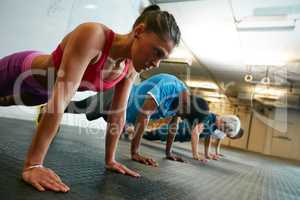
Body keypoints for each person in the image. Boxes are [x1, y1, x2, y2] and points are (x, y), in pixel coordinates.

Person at [0, 5, 181, 192]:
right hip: (18, 71)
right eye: (157, 52)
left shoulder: (129, 68)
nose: (156, 63)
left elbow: (118, 114)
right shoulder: (94, 36)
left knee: (4, 101)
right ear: (139, 31)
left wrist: (110, 160)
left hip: (40, 93)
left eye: (162, 59)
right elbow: (61, 99)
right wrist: (33, 165)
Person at [40, 73, 209, 166]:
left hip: (123, 116)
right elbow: (144, 116)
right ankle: (47, 107)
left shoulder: (182, 105)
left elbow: (174, 125)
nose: (178, 116)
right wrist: (135, 153)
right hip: (119, 97)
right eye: (182, 113)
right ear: (186, 104)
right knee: (78, 107)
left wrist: (168, 153)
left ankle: (51, 108)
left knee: (79, 108)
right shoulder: (170, 86)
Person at [143, 113, 244, 162]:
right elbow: (195, 132)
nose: (222, 132)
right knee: (151, 135)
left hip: (181, 136)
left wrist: (207, 153)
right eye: (223, 129)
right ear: (223, 122)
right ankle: (131, 129)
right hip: (178, 130)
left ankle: (133, 130)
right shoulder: (209, 118)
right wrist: (195, 155)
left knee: (153, 135)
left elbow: (208, 137)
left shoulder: (214, 126)